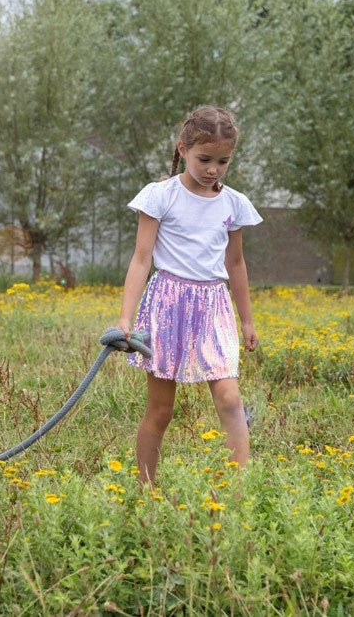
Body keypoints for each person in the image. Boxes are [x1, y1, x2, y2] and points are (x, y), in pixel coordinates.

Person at [117, 105, 261, 486]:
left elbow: (236, 264)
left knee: (230, 399)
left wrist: (247, 320)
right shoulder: (160, 196)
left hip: (214, 307)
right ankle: (146, 490)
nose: (213, 169)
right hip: (167, 306)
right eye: (204, 159)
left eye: (223, 162)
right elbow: (141, 259)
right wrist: (125, 319)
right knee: (161, 410)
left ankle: (236, 493)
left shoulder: (233, 204)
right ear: (182, 149)